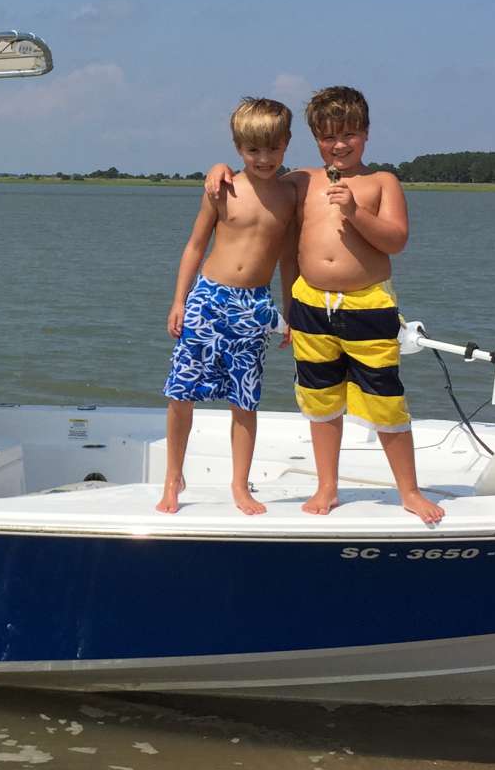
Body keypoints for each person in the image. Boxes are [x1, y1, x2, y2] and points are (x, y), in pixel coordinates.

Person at [206, 86, 443, 525]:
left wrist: (356, 212)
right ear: (315, 138)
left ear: (367, 134)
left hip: (368, 305)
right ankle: (327, 485)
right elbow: (258, 183)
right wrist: (220, 167)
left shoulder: (382, 182)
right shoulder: (301, 181)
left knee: (386, 400)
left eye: (349, 135)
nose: (339, 145)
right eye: (329, 137)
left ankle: (408, 490)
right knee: (320, 401)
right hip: (311, 305)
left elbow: (396, 241)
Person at [155, 97, 298, 516]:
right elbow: (195, 245)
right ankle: (173, 478)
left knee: (246, 400)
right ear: (239, 148)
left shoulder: (291, 195)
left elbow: (288, 261)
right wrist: (178, 300)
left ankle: (239, 484)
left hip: (254, 306)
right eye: (253, 150)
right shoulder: (222, 187)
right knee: (181, 393)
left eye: (273, 148)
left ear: (287, 144)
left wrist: (289, 314)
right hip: (208, 299)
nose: (264, 158)